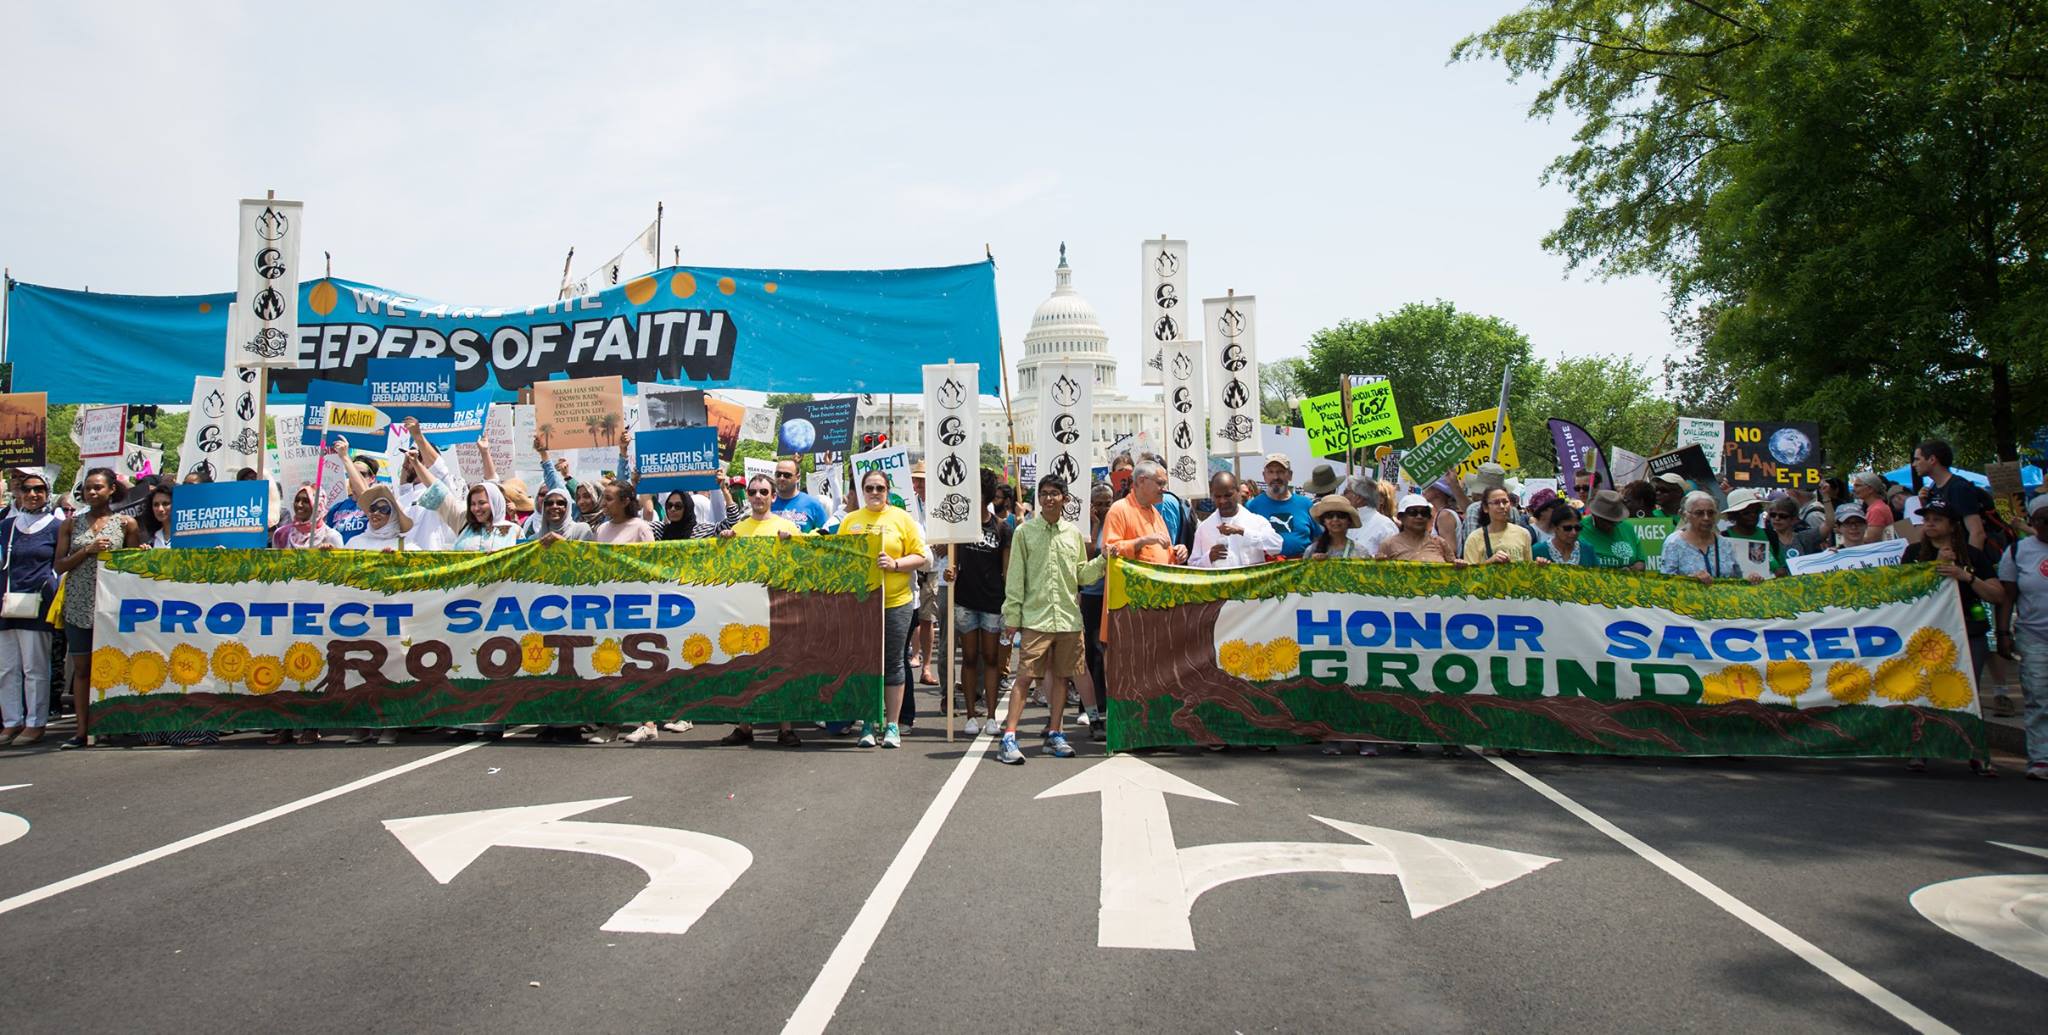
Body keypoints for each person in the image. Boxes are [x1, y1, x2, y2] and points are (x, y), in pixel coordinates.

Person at [996, 474, 1107, 764]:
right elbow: (1015, 578)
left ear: (1065, 499)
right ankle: (1009, 736)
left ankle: (1055, 732)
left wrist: (1104, 560)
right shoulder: (1024, 532)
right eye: (1043, 493)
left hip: (1069, 620)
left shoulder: (1073, 534)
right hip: (1036, 619)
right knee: (1024, 677)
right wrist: (1012, 616)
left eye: (1054, 493)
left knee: (1061, 678)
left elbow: (1080, 575)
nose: (1048, 498)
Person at [1906, 500, 2006, 775]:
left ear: (1952, 526)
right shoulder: (1914, 553)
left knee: (1967, 692)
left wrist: (1965, 576)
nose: (1929, 523)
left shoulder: (1974, 555)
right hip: (1927, 637)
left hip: (1968, 634)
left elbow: (1997, 595)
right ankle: (1921, 749)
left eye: (1937, 519)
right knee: (1925, 692)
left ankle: (1976, 753)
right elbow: (1903, 595)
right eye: (1926, 518)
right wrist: (1931, 570)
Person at [709, 475, 803, 748]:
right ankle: (744, 725)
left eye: (764, 491)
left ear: (774, 496)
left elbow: (803, 565)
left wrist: (793, 544)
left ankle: (786, 727)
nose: (758, 496)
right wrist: (724, 543)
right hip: (745, 608)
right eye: (753, 492)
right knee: (745, 666)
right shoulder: (737, 529)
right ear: (747, 496)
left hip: (779, 607)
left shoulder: (788, 527)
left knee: (782, 666)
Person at [836, 469, 928, 749]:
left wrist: (896, 564)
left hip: (895, 602)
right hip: (861, 604)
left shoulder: (902, 519)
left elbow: (922, 556)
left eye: (880, 488)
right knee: (865, 662)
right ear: (862, 492)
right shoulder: (851, 521)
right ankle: (867, 723)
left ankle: (892, 725)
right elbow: (837, 557)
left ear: (888, 491)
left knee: (892, 663)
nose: (874, 493)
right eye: (869, 488)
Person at [53, 468, 140, 749]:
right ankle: (81, 730)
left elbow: (133, 566)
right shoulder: (70, 524)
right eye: (88, 488)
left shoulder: (127, 524)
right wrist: (86, 551)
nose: (92, 492)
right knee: (82, 668)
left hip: (112, 606)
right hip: (79, 604)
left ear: (111, 490)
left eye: (98, 487)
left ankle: (111, 725)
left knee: (113, 666)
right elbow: (59, 565)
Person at [943, 469, 1012, 736]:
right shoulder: (960, 527)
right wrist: (950, 573)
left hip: (993, 602)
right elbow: (952, 562)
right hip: (965, 600)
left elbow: (1006, 570)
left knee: (991, 658)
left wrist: (1009, 604)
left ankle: (992, 716)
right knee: (969, 658)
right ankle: (971, 715)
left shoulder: (1003, 529)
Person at [1, 471, 62, 746]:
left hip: (37, 603)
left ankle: (35, 723)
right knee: (7, 668)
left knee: (34, 667)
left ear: (47, 493)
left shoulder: (57, 526)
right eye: (26, 489)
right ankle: (11, 721)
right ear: (19, 493)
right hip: (6, 602)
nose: (32, 494)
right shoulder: (8, 525)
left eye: (38, 489)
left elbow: (59, 564)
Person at [1995, 494, 2048, 779]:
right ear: (2033, 522)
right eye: (2042, 520)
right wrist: (2003, 632)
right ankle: (2041, 758)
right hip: (2034, 636)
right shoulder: (2018, 552)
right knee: (2039, 696)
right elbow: (2006, 597)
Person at [1658, 491, 1763, 583]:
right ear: (1686, 515)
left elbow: (1735, 579)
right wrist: (1690, 580)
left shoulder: (1724, 544)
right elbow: (1666, 581)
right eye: (1699, 513)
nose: (1706, 518)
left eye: (1711, 513)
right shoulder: (1674, 543)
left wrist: (1749, 579)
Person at [1192, 471, 1282, 568]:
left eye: (1228, 495)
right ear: (1212, 496)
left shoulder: (1257, 522)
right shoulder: (1204, 528)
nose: (1223, 501)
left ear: (1238, 492)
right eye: (1218, 496)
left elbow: (1276, 546)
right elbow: (1193, 566)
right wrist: (1208, 558)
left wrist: (1242, 531)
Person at [1913, 439, 1986, 550]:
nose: (1914, 464)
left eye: (1917, 459)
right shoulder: (1932, 489)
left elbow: (1977, 533)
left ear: (1932, 459)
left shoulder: (1959, 488)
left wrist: (1969, 564)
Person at [1245, 454, 1316, 559]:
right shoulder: (1252, 506)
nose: (1275, 477)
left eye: (1280, 472)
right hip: (1266, 571)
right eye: (1271, 472)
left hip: (1301, 571)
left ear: (1290, 475)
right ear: (1264, 476)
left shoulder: (1306, 504)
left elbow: (1318, 539)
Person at [1578, 490, 1647, 570]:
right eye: (1605, 520)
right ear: (1594, 515)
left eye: (1614, 521)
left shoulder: (1627, 528)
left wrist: (1631, 569)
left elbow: (1641, 561)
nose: (1610, 525)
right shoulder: (1578, 529)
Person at [1378, 493, 1456, 563]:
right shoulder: (1388, 545)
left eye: (1424, 513)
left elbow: (1454, 571)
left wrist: (1459, 565)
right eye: (1413, 512)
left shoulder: (1440, 543)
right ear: (1401, 517)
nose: (1419, 517)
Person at [1463, 486, 1532, 564]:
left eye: (1505, 502)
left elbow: (1528, 569)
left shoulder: (1523, 534)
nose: (1502, 506)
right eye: (1496, 503)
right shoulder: (1474, 538)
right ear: (1485, 508)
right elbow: (1470, 574)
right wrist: (1490, 562)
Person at [1341, 475, 1400, 556]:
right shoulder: (1341, 521)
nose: (1341, 495)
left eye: (1345, 492)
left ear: (1358, 498)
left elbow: (1394, 558)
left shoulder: (1385, 526)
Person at [271, 486, 343, 550]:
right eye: (297, 500)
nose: (299, 505)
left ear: (318, 506)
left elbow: (342, 564)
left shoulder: (331, 536)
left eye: (306, 501)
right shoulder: (281, 534)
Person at [769, 458, 830, 533]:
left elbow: (825, 536)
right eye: (778, 474)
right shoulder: (767, 502)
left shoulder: (813, 504)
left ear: (797, 478)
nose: (781, 478)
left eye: (787, 475)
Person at [1764, 496, 1825, 573]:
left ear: (1794, 519)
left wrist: (1826, 497)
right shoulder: (1765, 537)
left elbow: (1828, 525)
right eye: (1773, 515)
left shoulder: (1803, 537)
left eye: (1782, 516)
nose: (1777, 518)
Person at [589, 479, 656, 544]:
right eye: (603, 498)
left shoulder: (641, 528)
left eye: (609, 499)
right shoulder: (601, 529)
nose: (603, 503)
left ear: (625, 502)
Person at [1307, 495, 1371, 559]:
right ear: (1323, 521)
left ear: (1349, 520)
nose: (1335, 519)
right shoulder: (1311, 551)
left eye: (1341, 515)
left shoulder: (1360, 552)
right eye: (1329, 515)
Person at [1531, 507, 1596, 565]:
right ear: (1555, 527)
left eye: (1577, 528)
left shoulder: (1588, 550)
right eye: (1567, 528)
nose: (1574, 532)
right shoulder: (1537, 551)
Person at [1851, 472, 1896, 539]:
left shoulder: (1876, 510)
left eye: (1857, 486)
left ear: (1870, 489)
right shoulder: (1876, 507)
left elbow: (1870, 538)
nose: (1853, 489)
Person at [138, 481, 175, 548]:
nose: (160, 509)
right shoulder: (152, 539)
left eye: (165, 504)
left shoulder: (188, 534)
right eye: (156, 505)